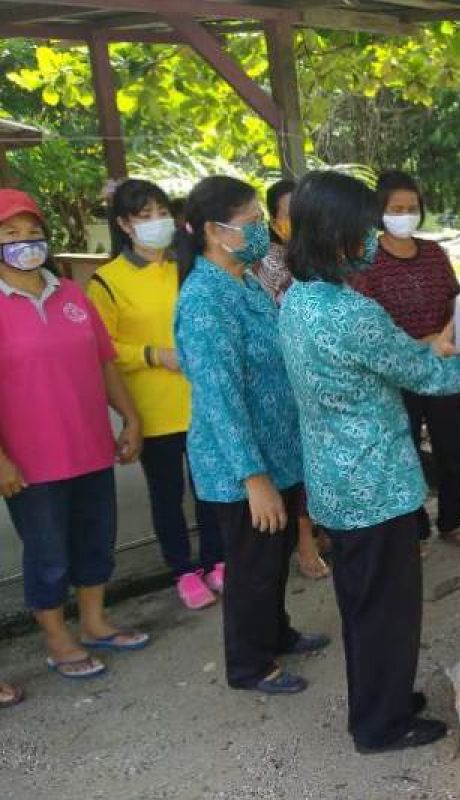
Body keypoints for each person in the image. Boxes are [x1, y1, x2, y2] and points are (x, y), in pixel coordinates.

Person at [278, 170, 460, 753]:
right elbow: (425, 376)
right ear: (339, 235)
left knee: (364, 604)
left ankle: (385, 698)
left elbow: (395, 357)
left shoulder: (301, 301)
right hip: (374, 481)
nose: (373, 239)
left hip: (337, 480)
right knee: (387, 610)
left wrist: (442, 340)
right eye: (365, 228)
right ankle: (381, 725)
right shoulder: (351, 312)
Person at [174, 176, 329, 695]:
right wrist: (253, 477)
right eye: (253, 222)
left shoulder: (243, 280)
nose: (263, 230)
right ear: (216, 232)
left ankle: (276, 633)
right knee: (252, 566)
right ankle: (249, 665)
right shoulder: (204, 300)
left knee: (274, 554)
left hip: (277, 450)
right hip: (240, 465)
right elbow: (219, 397)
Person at [0, 188, 149, 684]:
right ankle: (56, 639)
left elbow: (104, 362)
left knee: (95, 539)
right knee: (47, 552)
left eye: (33, 232)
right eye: (11, 234)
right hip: (30, 460)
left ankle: (94, 622)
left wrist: (129, 417)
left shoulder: (70, 293)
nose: (26, 241)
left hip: (89, 446)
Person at [88, 179, 224, 610]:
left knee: (209, 487)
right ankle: (183, 570)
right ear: (124, 225)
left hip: (201, 398)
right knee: (166, 493)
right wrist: (151, 354)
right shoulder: (106, 281)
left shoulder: (189, 264)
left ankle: (217, 559)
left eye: (161, 213)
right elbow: (102, 348)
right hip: (153, 406)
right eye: (144, 217)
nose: (156, 223)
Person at [352, 171, 460, 547]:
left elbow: (455, 297)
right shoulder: (367, 260)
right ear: (380, 212)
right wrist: (419, 343)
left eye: (412, 208)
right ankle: (414, 529)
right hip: (397, 374)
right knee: (403, 451)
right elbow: (368, 323)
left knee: (453, 449)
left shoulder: (435, 253)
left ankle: (452, 520)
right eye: (396, 208)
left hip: (443, 368)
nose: (405, 214)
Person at [253, 178, 329, 581]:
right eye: (288, 214)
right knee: (296, 461)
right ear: (273, 219)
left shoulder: (321, 257)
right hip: (283, 377)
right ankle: (304, 540)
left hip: (322, 375)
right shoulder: (265, 263)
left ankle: (320, 526)